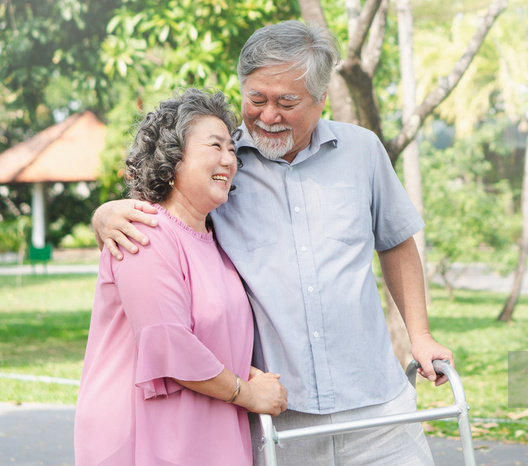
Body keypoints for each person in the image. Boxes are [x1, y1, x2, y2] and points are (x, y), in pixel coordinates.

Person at [93, 21, 453, 465]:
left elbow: (395, 241)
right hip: (278, 416)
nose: (267, 115)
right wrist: (106, 212)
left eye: (287, 102)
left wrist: (420, 336)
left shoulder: (363, 151)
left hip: (377, 406)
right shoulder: (220, 167)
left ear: (321, 100)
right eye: (256, 99)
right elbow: (168, 209)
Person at [74, 88, 287, 466]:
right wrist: (248, 393)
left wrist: (251, 376)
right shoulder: (145, 232)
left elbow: (212, 340)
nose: (229, 160)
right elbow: (168, 344)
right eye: (215, 146)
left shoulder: (215, 241)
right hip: (150, 441)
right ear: (173, 157)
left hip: (208, 433)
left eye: (232, 150)